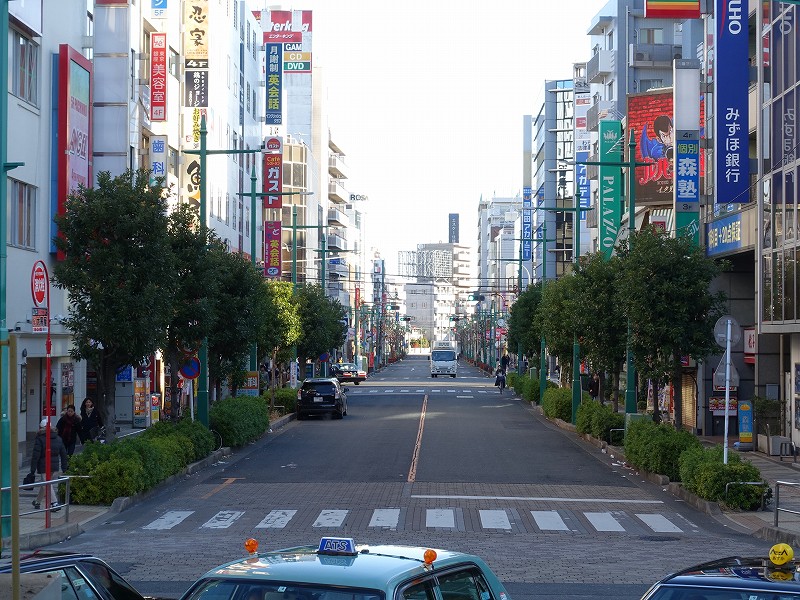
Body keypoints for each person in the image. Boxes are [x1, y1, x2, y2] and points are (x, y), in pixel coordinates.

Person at [29, 417, 69, 511]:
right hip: (55, 466)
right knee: (46, 484)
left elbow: (35, 455)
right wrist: (64, 467)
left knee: (47, 484)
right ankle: (37, 502)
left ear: (41, 427)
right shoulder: (58, 438)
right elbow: (63, 454)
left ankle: (54, 503)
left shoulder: (40, 439)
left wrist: (32, 470)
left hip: (43, 466)